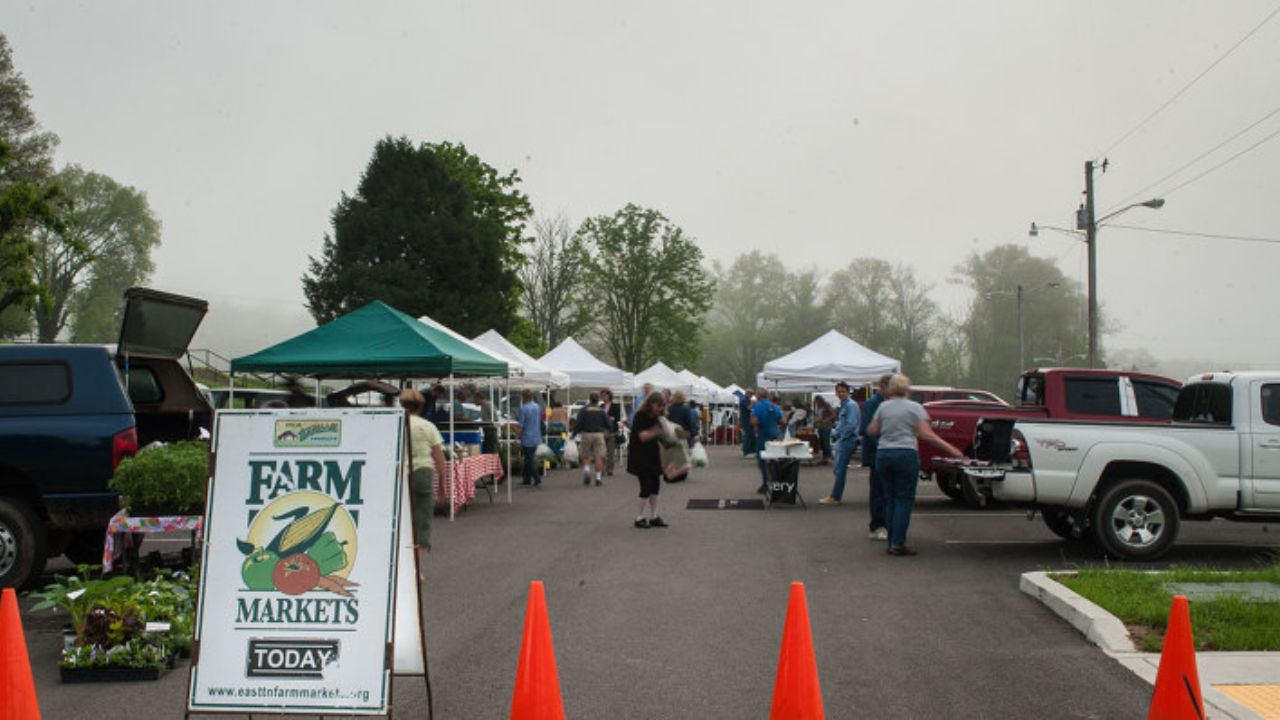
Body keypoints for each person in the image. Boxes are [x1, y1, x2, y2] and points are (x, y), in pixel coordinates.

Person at [867, 374, 964, 556]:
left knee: (889, 498)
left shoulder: (882, 406)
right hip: (905, 453)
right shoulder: (915, 408)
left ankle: (891, 541)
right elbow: (926, 434)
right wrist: (950, 448)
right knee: (904, 499)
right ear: (907, 389)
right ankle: (898, 543)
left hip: (884, 453)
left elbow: (872, 430)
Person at [400, 389, 447, 573]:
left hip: (400, 474)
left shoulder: (396, 425)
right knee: (422, 521)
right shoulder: (428, 427)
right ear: (421, 405)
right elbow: (439, 458)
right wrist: (442, 486)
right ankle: (416, 569)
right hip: (423, 473)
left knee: (402, 519)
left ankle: (400, 567)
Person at [627, 391, 669, 528]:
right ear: (651, 403)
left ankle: (654, 516)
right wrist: (656, 431)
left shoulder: (657, 416)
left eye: (662, 406)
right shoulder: (641, 416)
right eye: (658, 405)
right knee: (646, 485)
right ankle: (639, 517)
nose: (660, 409)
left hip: (652, 454)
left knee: (656, 485)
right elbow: (642, 437)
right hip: (640, 455)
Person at [857, 375, 891, 538]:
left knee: (887, 491)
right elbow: (866, 430)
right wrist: (884, 446)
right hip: (876, 454)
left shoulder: (889, 403)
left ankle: (887, 523)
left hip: (887, 452)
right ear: (883, 387)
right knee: (878, 491)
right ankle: (877, 526)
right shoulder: (873, 403)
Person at [819, 382, 860, 507]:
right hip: (843, 439)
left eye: (843, 391)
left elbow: (851, 424)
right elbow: (843, 423)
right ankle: (835, 496)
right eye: (839, 391)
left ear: (848, 392)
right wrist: (835, 431)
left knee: (840, 469)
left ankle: (835, 497)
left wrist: (840, 435)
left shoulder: (851, 405)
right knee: (838, 468)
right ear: (836, 393)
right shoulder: (844, 404)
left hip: (847, 439)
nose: (841, 393)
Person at [572, 392, 611, 486]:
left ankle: (587, 470)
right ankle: (598, 478)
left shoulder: (583, 410)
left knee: (585, 455)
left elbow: (578, 424)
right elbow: (609, 425)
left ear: (589, 399)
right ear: (598, 400)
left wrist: (574, 434)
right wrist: (606, 430)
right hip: (598, 435)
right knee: (599, 457)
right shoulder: (601, 410)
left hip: (586, 434)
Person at [751, 389, 783, 493]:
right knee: (773, 459)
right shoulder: (774, 406)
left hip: (763, 435)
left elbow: (754, 420)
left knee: (762, 460)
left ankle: (766, 483)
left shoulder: (758, 406)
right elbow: (783, 421)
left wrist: (755, 427)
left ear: (758, 396)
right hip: (774, 434)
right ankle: (776, 482)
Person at [517, 389, 544, 487]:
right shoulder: (537, 407)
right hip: (536, 436)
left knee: (529, 459)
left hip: (527, 437)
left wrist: (517, 437)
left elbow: (521, 425)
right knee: (528, 458)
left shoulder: (523, 408)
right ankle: (526, 479)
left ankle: (537, 478)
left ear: (523, 397)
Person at [601, 389, 622, 476]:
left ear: (609, 396)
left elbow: (617, 418)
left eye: (605, 395)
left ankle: (610, 469)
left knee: (611, 452)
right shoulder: (601, 406)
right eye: (602, 395)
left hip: (612, 430)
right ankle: (602, 469)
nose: (603, 397)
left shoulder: (616, 406)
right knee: (602, 451)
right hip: (602, 430)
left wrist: (611, 418)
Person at [813, 395, 835, 464]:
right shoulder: (818, 407)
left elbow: (833, 414)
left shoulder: (827, 405)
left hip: (826, 426)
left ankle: (829, 457)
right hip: (820, 426)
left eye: (817, 401)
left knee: (826, 442)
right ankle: (825, 457)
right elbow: (818, 416)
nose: (816, 402)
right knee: (822, 442)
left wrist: (826, 420)